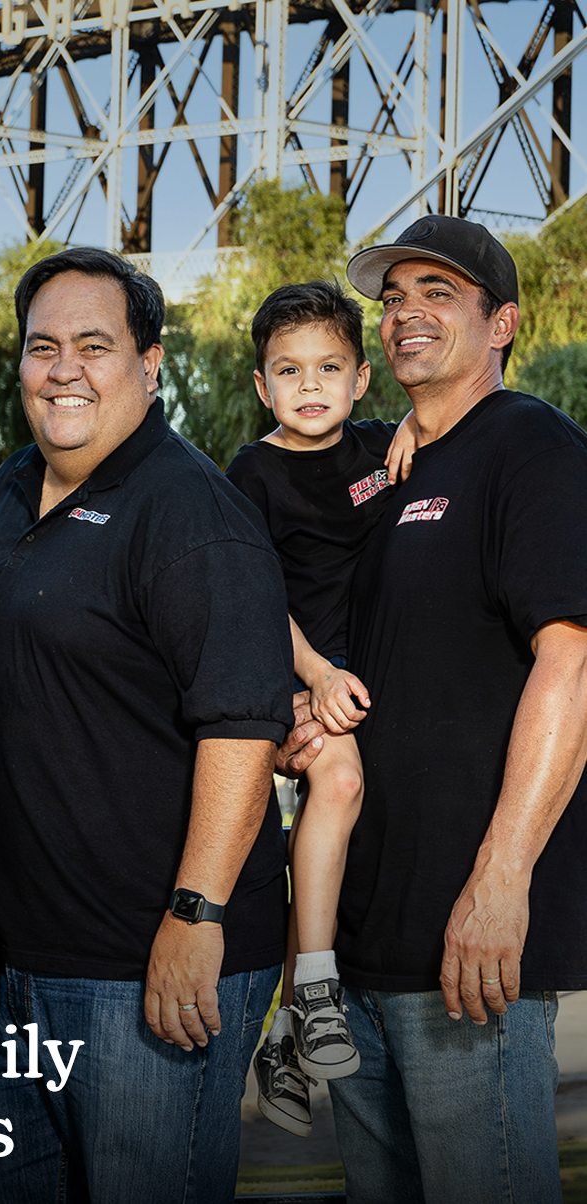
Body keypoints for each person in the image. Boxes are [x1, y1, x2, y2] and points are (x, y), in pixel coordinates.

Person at [0, 247, 293, 1203]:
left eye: (94, 346)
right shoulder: (12, 485)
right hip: (17, 958)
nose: (64, 368)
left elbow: (243, 727)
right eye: (43, 346)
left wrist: (196, 915)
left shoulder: (190, 512)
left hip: (146, 963)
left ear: (150, 363)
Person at [284, 214, 587, 1203]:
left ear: (501, 323)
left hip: (468, 950)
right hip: (362, 951)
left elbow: (572, 665)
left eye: (438, 293)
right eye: (393, 297)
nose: (406, 312)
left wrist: (502, 880)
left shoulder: (532, 445)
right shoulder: (387, 470)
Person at [223, 280, 399, 1136]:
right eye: (289, 371)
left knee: (324, 862)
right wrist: (317, 676)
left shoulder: (382, 447)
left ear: (363, 378)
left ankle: (286, 1043)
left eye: (330, 366)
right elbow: (257, 595)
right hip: (294, 676)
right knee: (339, 785)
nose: (311, 384)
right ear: (263, 387)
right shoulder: (251, 471)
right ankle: (318, 992)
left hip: (357, 682)